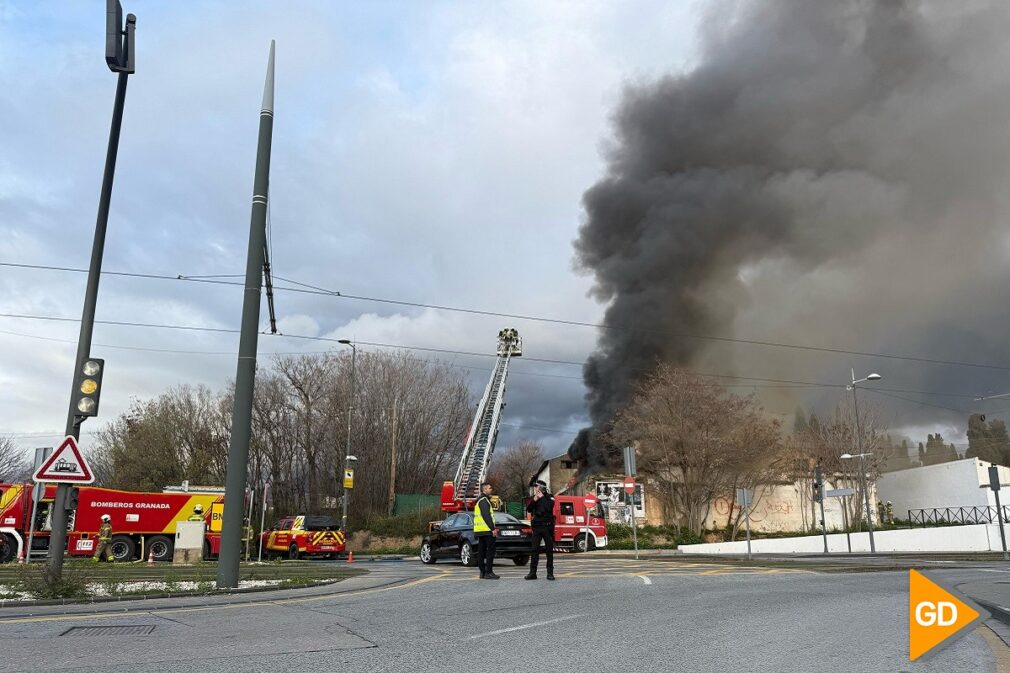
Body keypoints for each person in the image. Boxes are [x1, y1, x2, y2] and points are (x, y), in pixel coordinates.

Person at [525, 480, 556, 580]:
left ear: (541, 488)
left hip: (547, 527)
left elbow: (549, 507)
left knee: (549, 550)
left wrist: (541, 497)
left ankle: (550, 573)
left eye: (536, 486)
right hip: (537, 527)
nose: (535, 488)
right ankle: (532, 573)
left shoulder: (549, 497)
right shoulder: (534, 498)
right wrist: (534, 499)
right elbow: (529, 509)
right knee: (534, 550)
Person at [473, 482, 500, 580]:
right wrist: (493, 529)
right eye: (489, 488)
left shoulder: (480, 500)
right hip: (486, 530)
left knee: (481, 551)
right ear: (484, 490)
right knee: (490, 551)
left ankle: (482, 572)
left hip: (480, 530)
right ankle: (488, 572)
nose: (491, 489)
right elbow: (486, 515)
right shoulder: (484, 500)